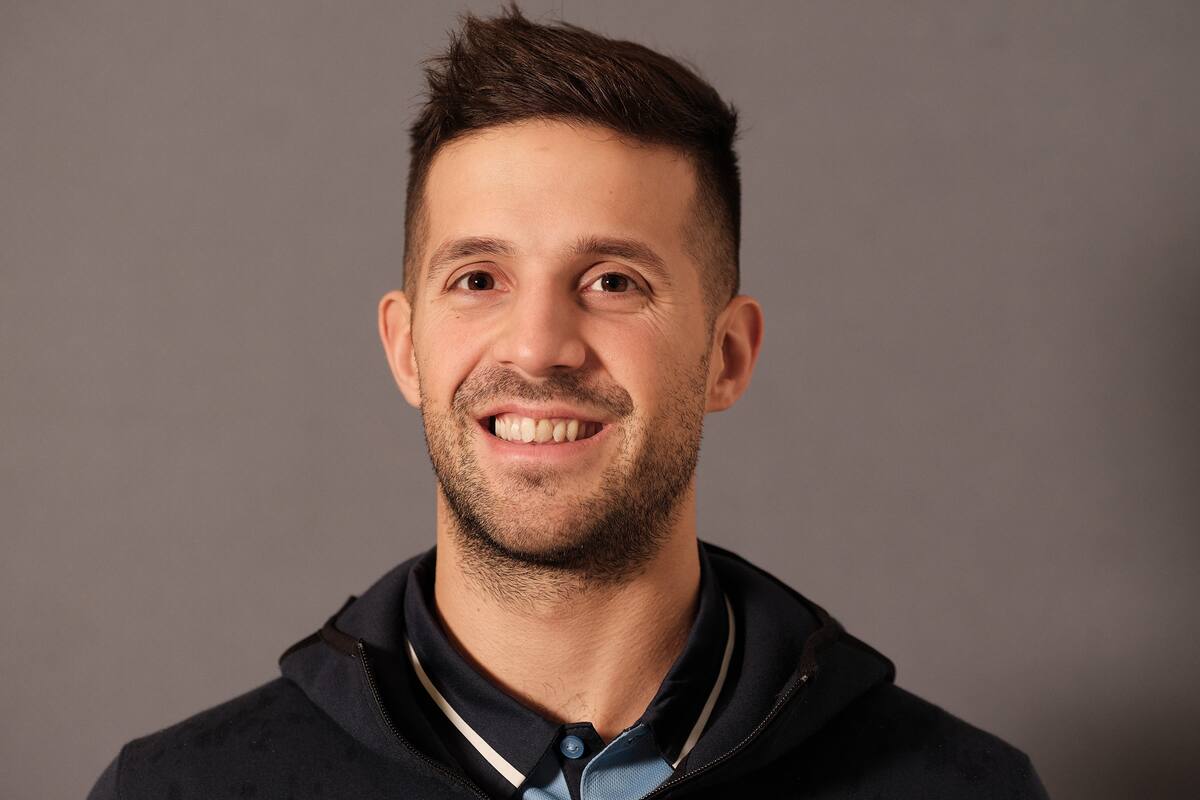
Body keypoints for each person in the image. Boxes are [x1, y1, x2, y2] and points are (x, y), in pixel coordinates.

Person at [87, 5, 1050, 799]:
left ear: (727, 355)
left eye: (613, 281)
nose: (538, 345)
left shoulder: (961, 789)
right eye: (478, 279)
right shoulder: (179, 790)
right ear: (405, 347)